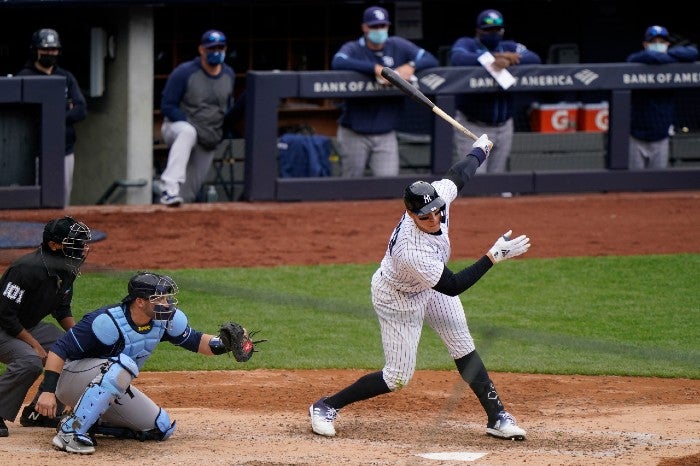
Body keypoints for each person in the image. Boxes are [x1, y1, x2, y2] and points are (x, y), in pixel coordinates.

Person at [309, 133, 531, 440]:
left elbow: (459, 175)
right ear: (411, 215)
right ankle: (326, 405)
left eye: (437, 211)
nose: (434, 218)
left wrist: (480, 149)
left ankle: (497, 417)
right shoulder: (411, 249)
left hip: (430, 285)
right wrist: (494, 256)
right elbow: (452, 286)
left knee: (462, 344)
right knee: (397, 377)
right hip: (398, 296)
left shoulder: (438, 199)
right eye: (425, 216)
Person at [34, 272, 253, 454]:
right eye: (160, 299)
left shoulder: (162, 320)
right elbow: (59, 349)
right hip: (71, 380)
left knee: (159, 428)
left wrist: (226, 343)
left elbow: (196, 342)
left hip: (107, 381)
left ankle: (87, 420)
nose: (166, 303)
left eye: (167, 298)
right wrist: (48, 391)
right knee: (123, 365)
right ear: (140, 301)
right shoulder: (105, 322)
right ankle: (70, 433)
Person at [0, 216, 91, 437]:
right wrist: (35, 346)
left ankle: (40, 413)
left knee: (71, 352)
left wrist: (80, 340)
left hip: (25, 325)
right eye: (75, 244)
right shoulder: (25, 269)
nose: (82, 249)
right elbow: (5, 316)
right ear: (54, 245)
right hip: (4, 325)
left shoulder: (66, 267)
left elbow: (62, 309)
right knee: (30, 361)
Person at [331, 5, 438, 177]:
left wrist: (411, 66)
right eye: (374, 26)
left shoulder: (397, 45)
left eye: (382, 26)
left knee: (388, 185)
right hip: (354, 132)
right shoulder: (354, 48)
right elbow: (338, 62)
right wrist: (374, 68)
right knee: (349, 187)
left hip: (385, 133)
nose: (379, 30)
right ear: (365, 27)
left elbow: (431, 59)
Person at [449, 9, 541, 180]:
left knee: (497, 182)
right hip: (472, 127)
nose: (493, 34)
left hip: (504, 126)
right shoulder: (467, 44)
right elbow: (458, 58)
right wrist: (493, 58)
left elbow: (534, 58)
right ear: (478, 31)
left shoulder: (509, 46)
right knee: (473, 181)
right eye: (488, 30)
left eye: (497, 30)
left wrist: (508, 60)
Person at [159, 29, 236, 206]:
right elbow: (167, 105)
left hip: (208, 136)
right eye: (212, 48)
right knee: (188, 132)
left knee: (187, 194)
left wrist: (220, 133)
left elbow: (226, 109)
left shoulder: (228, 74)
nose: (216, 51)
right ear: (202, 50)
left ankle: (170, 209)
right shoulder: (185, 72)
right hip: (177, 128)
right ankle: (168, 186)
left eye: (220, 47)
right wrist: (192, 124)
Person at [17, 29, 87, 206]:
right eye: (45, 50)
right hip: (34, 152)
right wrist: (62, 110)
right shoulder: (25, 77)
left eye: (53, 50)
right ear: (35, 51)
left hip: (64, 148)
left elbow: (80, 109)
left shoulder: (65, 77)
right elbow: (23, 116)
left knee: (62, 199)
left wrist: (53, 117)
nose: (50, 54)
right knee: (34, 202)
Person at [626, 25, 698, 170]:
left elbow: (693, 52)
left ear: (667, 44)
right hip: (636, 136)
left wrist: (666, 55)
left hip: (661, 136)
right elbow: (646, 56)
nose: (657, 44)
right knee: (633, 185)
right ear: (645, 44)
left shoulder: (670, 58)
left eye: (661, 41)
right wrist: (668, 57)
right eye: (653, 41)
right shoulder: (637, 59)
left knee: (657, 185)